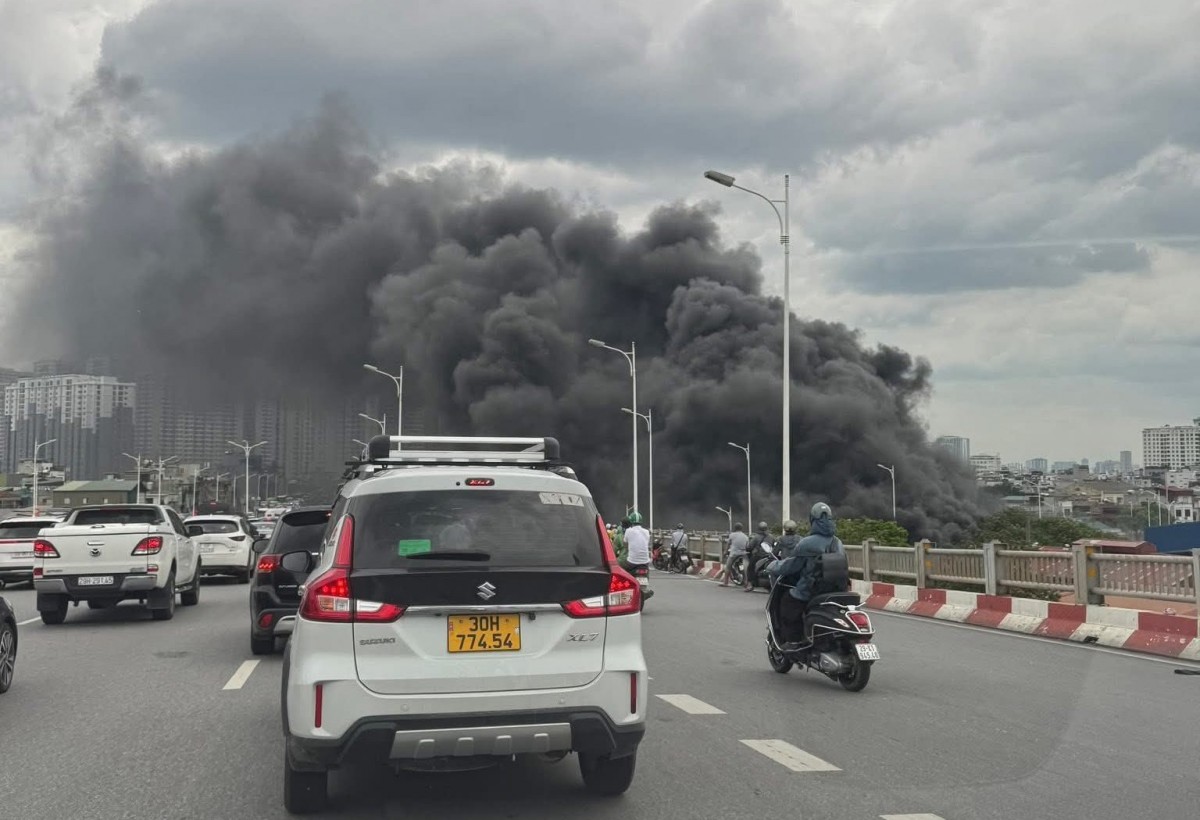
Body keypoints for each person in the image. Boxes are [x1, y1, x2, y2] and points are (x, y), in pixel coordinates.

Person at [769, 502, 846, 648]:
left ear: (812, 520)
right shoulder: (838, 543)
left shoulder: (807, 543)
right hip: (836, 591)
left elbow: (790, 566)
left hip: (811, 592)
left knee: (788, 602)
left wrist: (772, 566)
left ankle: (794, 641)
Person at [744, 521, 774, 591]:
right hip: (769, 556)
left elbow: (750, 547)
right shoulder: (771, 536)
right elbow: (774, 544)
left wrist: (748, 547)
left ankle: (750, 585)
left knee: (750, 568)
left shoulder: (756, 537)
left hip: (759, 556)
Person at [719, 522, 749, 587]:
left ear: (735, 528)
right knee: (746, 568)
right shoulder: (746, 536)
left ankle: (725, 582)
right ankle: (746, 582)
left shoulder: (732, 535)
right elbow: (747, 546)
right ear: (742, 528)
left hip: (734, 553)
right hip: (744, 553)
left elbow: (728, 544)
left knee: (728, 567)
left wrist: (725, 552)